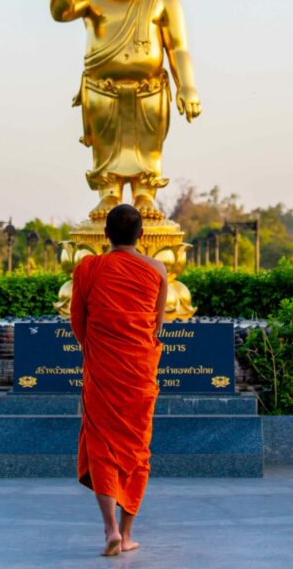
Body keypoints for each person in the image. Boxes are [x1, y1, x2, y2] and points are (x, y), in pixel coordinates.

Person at [51, 0, 202, 223]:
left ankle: (146, 191)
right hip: (101, 90)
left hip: (150, 90)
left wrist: (187, 87)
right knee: (105, 144)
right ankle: (109, 192)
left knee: (148, 145)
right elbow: (61, 12)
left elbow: (178, 48)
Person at [69, 203, 168, 556]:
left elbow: (77, 321)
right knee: (136, 449)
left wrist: (96, 349)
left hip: (103, 371)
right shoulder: (157, 270)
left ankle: (109, 528)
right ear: (142, 235)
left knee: (101, 443)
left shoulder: (89, 268)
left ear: (105, 234)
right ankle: (126, 535)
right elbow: (156, 325)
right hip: (139, 372)